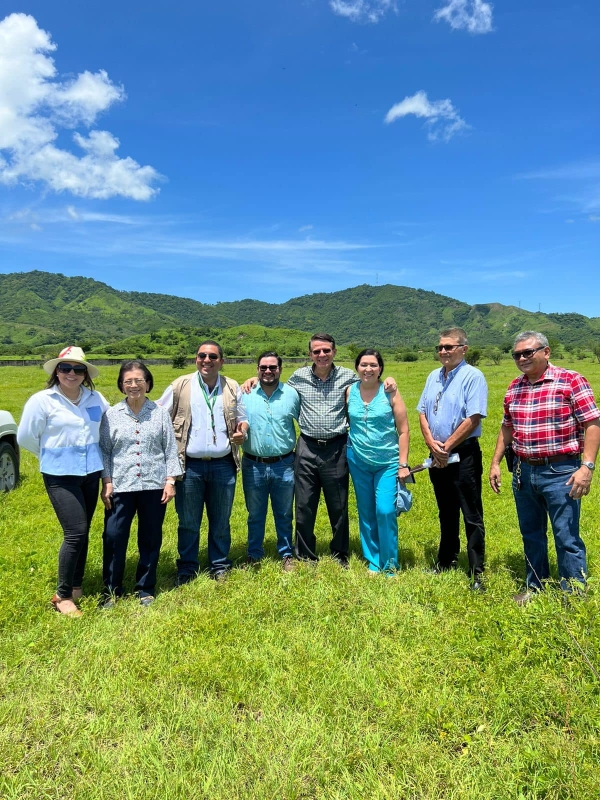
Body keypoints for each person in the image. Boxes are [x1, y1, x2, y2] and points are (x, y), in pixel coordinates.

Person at [243, 333, 395, 566]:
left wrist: (389, 380)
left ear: (334, 352)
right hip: (306, 447)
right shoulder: (298, 377)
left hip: (337, 447)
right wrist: (251, 381)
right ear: (310, 354)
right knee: (304, 504)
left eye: (326, 350)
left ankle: (340, 553)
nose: (322, 355)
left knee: (339, 505)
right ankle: (304, 554)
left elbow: (370, 381)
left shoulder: (347, 377)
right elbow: (274, 385)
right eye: (316, 351)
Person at [489, 332, 600, 604]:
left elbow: (592, 423)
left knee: (566, 536)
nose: (522, 358)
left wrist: (587, 466)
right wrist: (494, 462)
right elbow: (507, 428)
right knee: (531, 534)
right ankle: (535, 587)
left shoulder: (571, 380)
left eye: (528, 352)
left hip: (562, 472)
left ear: (546, 352)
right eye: (517, 354)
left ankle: (573, 595)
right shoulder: (515, 386)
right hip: (524, 471)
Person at [17, 346, 109, 616]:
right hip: (60, 475)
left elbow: (108, 424)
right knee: (75, 532)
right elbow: (25, 437)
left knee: (84, 529)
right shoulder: (42, 401)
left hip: (91, 472)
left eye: (78, 369)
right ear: (56, 371)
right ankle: (63, 596)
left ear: (85, 374)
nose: (71, 373)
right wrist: (52, 455)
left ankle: (77, 584)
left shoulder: (95, 398)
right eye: (65, 368)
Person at [157, 341, 248, 582]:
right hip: (189, 465)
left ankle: (219, 565)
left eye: (212, 356)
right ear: (196, 359)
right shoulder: (181, 385)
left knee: (221, 519)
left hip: (223, 464)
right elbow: (158, 415)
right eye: (202, 356)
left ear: (222, 360)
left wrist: (242, 432)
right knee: (188, 521)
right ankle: (187, 568)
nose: (207, 360)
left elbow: (243, 417)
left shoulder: (231, 386)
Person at [99, 361, 182, 606]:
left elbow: (170, 448)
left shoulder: (159, 413)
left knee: (150, 537)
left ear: (148, 383)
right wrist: (107, 481)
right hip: (121, 487)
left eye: (139, 380)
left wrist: (170, 481)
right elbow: (104, 451)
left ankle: (145, 588)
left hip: (154, 486)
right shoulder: (112, 415)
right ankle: (111, 590)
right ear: (121, 385)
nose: (134, 385)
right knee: (114, 537)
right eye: (128, 381)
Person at [418, 327, 488, 590]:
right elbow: (423, 412)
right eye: (440, 347)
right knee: (446, 511)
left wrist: (446, 447)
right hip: (437, 453)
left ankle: (476, 572)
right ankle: (445, 561)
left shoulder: (473, 376)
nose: (444, 351)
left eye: (449, 346)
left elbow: (474, 418)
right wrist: (431, 444)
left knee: (471, 513)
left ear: (463, 349)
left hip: (463, 454)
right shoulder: (433, 376)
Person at [346, 349, 410, 574]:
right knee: (366, 511)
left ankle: (390, 563)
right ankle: (373, 560)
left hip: (387, 463)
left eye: (373, 365)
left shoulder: (390, 391)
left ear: (380, 368)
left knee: (384, 510)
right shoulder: (349, 391)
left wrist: (403, 464)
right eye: (363, 364)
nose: (368, 369)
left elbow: (403, 431)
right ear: (357, 367)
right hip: (358, 460)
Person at [242, 351, 300, 571]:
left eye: (273, 367)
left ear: (280, 369)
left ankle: (286, 554)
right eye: (263, 367)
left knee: (284, 512)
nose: (268, 371)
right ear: (257, 369)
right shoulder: (245, 393)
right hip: (253, 463)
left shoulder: (292, 394)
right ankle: (254, 553)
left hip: (284, 463)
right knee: (255, 513)